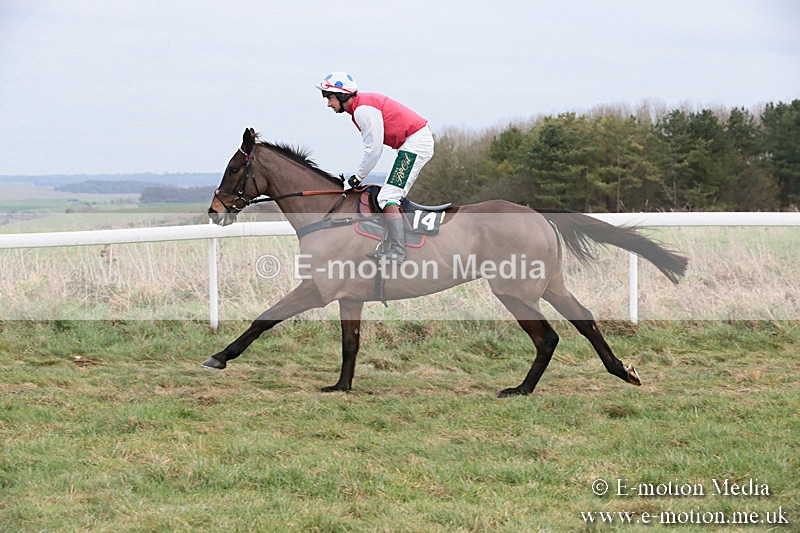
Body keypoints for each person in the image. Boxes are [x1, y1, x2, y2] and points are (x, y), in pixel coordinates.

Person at [317, 71, 434, 263]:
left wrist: (357, 177)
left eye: (330, 98)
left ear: (342, 95)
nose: (329, 104)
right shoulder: (360, 107)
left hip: (416, 144)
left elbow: (373, 151)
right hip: (412, 143)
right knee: (388, 195)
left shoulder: (363, 110)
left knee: (388, 197)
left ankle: (398, 251)